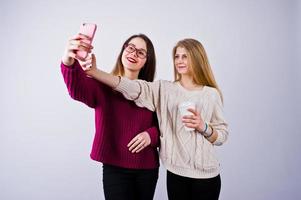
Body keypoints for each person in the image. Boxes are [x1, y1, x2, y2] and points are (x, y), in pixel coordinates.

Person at [84, 38, 229, 200]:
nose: (180, 61)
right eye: (177, 56)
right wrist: (95, 73)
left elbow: (221, 137)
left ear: (197, 58)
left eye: (185, 56)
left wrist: (203, 127)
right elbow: (133, 88)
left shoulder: (211, 94)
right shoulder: (163, 89)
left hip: (207, 176)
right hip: (176, 174)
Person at [60, 33, 160, 200]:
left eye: (141, 52)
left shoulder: (153, 91)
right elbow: (76, 89)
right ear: (122, 51)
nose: (134, 54)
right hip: (115, 168)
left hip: (147, 168)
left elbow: (164, 128)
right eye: (130, 48)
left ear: (146, 61)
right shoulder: (102, 85)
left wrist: (151, 135)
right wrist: (68, 60)